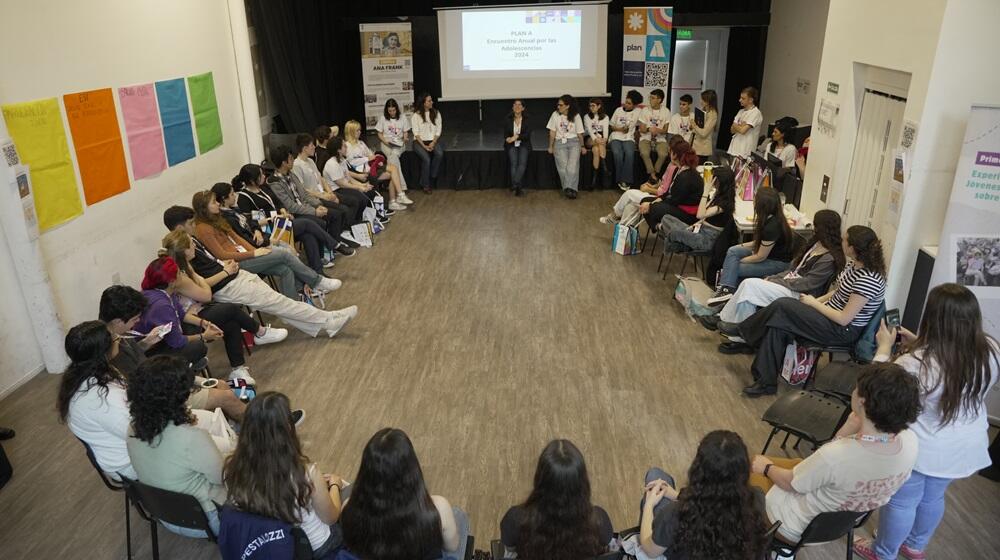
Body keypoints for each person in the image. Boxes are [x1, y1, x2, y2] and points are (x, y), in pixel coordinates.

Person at [852, 283, 999, 560]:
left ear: (933, 318)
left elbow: (876, 388)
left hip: (923, 447)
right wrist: (920, 343)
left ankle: (883, 553)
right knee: (932, 497)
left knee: (902, 501)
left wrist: (884, 348)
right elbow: (953, 367)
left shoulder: (916, 364)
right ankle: (915, 546)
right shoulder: (991, 349)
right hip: (964, 446)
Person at [750, 363, 921, 544]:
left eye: (856, 388)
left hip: (790, 525)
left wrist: (766, 468)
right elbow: (832, 462)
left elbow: (792, 483)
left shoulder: (837, 456)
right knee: (797, 463)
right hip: (836, 525)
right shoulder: (910, 442)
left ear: (862, 402)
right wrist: (848, 428)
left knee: (749, 468)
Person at [733, 225, 887, 397]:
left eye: (845, 240)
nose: (841, 242)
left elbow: (844, 318)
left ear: (853, 247)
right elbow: (838, 291)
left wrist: (813, 303)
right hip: (828, 316)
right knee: (779, 323)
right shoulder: (854, 265)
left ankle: (742, 330)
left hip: (841, 330)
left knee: (783, 305)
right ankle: (765, 381)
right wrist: (819, 301)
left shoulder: (868, 279)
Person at [160, 212, 357, 339]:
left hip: (236, 276)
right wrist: (224, 271)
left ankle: (324, 323)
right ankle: (328, 319)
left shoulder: (190, 254)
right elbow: (205, 291)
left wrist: (224, 267)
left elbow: (210, 269)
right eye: (191, 224)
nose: (195, 232)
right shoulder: (181, 267)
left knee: (279, 302)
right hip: (229, 286)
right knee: (280, 302)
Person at [224, 392, 348, 556]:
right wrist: (334, 485)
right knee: (350, 494)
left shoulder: (232, 467)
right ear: (288, 428)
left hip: (274, 545)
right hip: (316, 546)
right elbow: (331, 518)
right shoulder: (306, 473)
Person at [99, 285, 249, 420]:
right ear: (118, 321)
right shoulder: (111, 350)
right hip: (159, 395)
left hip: (159, 381)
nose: (136, 322)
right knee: (226, 396)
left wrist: (145, 343)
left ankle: (233, 426)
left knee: (222, 385)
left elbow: (137, 360)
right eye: (134, 319)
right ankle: (258, 431)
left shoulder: (118, 335)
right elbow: (137, 386)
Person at [136, 255, 285, 385]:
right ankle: (259, 332)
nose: (182, 273)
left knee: (229, 321)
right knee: (227, 313)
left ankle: (238, 369)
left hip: (177, 331)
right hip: (160, 348)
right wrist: (203, 336)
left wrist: (203, 323)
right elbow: (177, 341)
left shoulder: (165, 292)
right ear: (172, 282)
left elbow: (181, 315)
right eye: (179, 273)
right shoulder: (160, 305)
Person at [126, 355, 228, 537]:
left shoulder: (132, 429)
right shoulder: (192, 438)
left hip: (166, 514)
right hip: (210, 518)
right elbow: (222, 477)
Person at [704, 209, 844, 331]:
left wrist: (777, 281)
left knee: (749, 285)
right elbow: (792, 269)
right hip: (790, 284)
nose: (813, 228)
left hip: (800, 294)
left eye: (816, 225)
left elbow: (808, 284)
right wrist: (776, 278)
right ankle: (735, 329)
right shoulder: (815, 245)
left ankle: (725, 320)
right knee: (748, 292)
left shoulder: (828, 258)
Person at [340, 428, 468, 560]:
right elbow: (452, 547)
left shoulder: (347, 508)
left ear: (366, 470)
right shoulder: (439, 508)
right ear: (411, 468)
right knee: (459, 515)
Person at [639, 431, 768, 560]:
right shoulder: (757, 498)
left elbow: (650, 550)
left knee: (654, 475)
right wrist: (675, 494)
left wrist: (648, 505)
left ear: (699, 470)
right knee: (659, 479)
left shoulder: (675, 514)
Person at [192, 190, 341, 300]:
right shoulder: (203, 229)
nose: (217, 203)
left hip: (247, 254)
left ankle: (294, 304)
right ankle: (317, 281)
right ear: (203, 208)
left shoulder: (218, 219)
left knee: (284, 269)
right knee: (284, 254)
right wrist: (253, 253)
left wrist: (258, 250)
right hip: (237, 263)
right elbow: (221, 255)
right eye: (213, 202)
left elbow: (238, 238)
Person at [500, 439, 613, 560]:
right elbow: (605, 545)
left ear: (540, 479)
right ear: (582, 482)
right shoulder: (599, 521)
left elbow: (510, 551)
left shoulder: (515, 519)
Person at [58, 321, 138, 480]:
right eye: (115, 339)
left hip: (124, 445)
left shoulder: (83, 374)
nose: (118, 340)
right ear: (103, 353)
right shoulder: (103, 400)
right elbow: (139, 433)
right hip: (129, 465)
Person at [234, 163, 342, 273]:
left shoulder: (263, 188)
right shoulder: (244, 198)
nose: (264, 176)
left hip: (281, 222)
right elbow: (253, 221)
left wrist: (283, 211)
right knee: (307, 223)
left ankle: (318, 271)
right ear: (252, 181)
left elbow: (278, 203)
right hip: (270, 230)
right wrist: (276, 217)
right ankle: (335, 245)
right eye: (260, 175)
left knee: (307, 235)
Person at [708, 188, 794, 303]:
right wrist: (742, 246)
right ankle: (726, 290)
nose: (753, 203)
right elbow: (758, 243)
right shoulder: (770, 218)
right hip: (766, 254)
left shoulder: (772, 227)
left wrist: (740, 261)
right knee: (733, 251)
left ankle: (726, 292)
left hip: (777, 263)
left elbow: (760, 256)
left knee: (734, 268)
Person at [268, 145, 359, 255]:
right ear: (284, 163)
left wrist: (318, 204)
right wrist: (314, 211)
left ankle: (334, 245)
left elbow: (304, 194)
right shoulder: (275, 182)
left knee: (336, 214)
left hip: (306, 206)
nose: (293, 160)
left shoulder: (291, 175)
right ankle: (331, 248)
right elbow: (290, 206)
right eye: (291, 158)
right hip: (295, 213)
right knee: (320, 222)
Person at [599, 137, 697, 226]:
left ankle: (616, 216)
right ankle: (624, 235)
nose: (668, 151)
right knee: (631, 206)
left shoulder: (676, 169)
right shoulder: (674, 167)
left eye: (670, 149)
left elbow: (667, 193)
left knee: (629, 194)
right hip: (662, 198)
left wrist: (649, 189)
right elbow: (664, 186)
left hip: (662, 200)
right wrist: (652, 186)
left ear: (674, 153)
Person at [659, 166, 737, 255]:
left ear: (720, 182)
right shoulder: (718, 195)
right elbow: (703, 218)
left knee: (674, 233)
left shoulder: (725, 204)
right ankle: (681, 243)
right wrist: (695, 225)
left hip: (707, 240)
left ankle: (676, 242)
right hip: (699, 230)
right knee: (667, 218)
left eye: (714, 179)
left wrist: (705, 192)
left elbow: (699, 214)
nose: (712, 182)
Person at [293, 134, 365, 230]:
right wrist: (323, 196)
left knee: (354, 201)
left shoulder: (310, 161)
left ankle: (352, 226)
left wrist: (329, 192)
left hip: (325, 192)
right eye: (312, 146)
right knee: (343, 209)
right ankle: (345, 230)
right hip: (314, 198)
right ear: (305, 148)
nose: (314, 147)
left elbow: (321, 178)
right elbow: (303, 189)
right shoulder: (297, 165)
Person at [343, 119, 408, 212]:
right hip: (361, 172)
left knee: (393, 169)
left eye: (360, 130)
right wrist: (368, 158)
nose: (360, 132)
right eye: (357, 130)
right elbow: (351, 162)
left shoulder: (361, 143)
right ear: (351, 132)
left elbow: (370, 154)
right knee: (393, 173)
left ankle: (397, 198)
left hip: (370, 167)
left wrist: (376, 159)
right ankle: (396, 198)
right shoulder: (348, 145)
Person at [638, 140, 704, 230]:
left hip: (687, 214)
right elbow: (669, 193)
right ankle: (658, 227)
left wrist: (651, 205)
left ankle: (663, 227)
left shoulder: (687, 176)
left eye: (671, 152)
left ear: (675, 155)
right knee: (645, 200)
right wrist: (657, 200)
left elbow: (674, 199)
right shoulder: (679, 170)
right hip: (677, 204)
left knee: (654, 208)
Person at [546, 94, 586, 199]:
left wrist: (582, 146)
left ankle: (572, 189)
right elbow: (552, 132)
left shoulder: (576, 116)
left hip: (574, 142)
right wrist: (551, 146)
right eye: (558, 105)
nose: (558, 107)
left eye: (561, 105)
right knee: (563, 168)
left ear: (568, 106)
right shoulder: (555, 115)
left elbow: (580, 133)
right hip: (559, 142)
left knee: (572, 167)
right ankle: (569, 188)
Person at [374, 98, 413, 199]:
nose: (392, 112)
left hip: (399, 144)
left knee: (394, 155)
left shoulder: (403, 117)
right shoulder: (383, 118)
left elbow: (405, 132)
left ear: (397, 109)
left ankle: (401, 188)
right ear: (387, 110)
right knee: (393, 157)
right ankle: (402, 188)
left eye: (394, 110)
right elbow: (379, 133)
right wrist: (385, 141)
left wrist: (404, 138)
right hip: (386, 143)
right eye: (390, 111)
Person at [609, 90, 643, 190]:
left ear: (635, 105)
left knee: (629, 153)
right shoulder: (618, 110)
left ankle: (626, 180)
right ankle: (620, 180)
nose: (626, 104)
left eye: (629, 103)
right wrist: (620, 129)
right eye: (626, 101)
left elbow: (643, 123)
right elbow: (611, 126)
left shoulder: (638, 112)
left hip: (629, 137)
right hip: (616, 136)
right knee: (617, 153)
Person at [411, 92, 443, 194]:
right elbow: (416, 133)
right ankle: (425, 185)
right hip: (419, 142)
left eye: (431, 100)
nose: (432, 102)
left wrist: (433, 142)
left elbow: (438, 130)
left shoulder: (436, 113)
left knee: (439, 153)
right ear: (424, 103)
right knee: (426, 159)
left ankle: (431, 175)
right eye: (429, 101)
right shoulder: (416, 116)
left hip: (432, 140)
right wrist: (424, 146)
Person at [638, 88, 672, 182]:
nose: (650, 100)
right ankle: (652, 174)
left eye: (653, 98)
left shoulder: (666, 111)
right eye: (650, 97)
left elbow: (666, 129)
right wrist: (649, 129)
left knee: (663, 154)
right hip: (646, 138)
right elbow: (642, 128)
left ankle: (655, 172)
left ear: (659, 100)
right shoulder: (645, 110)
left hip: (660, 139)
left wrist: (658, 130)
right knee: (644, 153)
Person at [503, 99, 531, 197]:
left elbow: (527, 135)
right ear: (512, 107)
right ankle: (518, 187)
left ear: (523, 108)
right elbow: (505, 134)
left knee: (522, 163)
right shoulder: (508, 118)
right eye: (515, 105)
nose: (517, 106)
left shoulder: (528, 119)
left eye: (519, 105)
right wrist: (508, 139)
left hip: (524, 143)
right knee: (514, 163)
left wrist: (517, 137)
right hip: (511, 144)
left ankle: (514, 183)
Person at [727, 87, 763, 158]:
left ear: (751, 100)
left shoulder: (756, 113)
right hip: (733, 149)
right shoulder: (740, 111)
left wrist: (737, 125)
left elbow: (743, 131)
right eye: (740, 98)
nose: (740, 100)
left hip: (744, 152)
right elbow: (732, 130)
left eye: (743, 98)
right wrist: (739, 126)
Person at [583, 98, 610, 187]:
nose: (591, 108)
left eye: (593, 106)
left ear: (599, 106)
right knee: (598, 144)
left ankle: (594, 179)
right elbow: (590, 131)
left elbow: (605, 130)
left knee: (596, 150)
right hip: (589, 138)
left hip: (600, 138)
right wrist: (596, 139)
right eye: (590, 106)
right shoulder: (586, 116)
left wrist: (605, 139)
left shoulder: (605, 117)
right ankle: (605, 169)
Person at [691, 89, 719, 164]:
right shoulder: (704, 111)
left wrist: (694, 126)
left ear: (708, 101)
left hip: (702, 149)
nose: (701, 101)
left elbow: (704, 133)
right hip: (695, 146)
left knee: (698, 170)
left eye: (703, 100)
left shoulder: (713, 114)